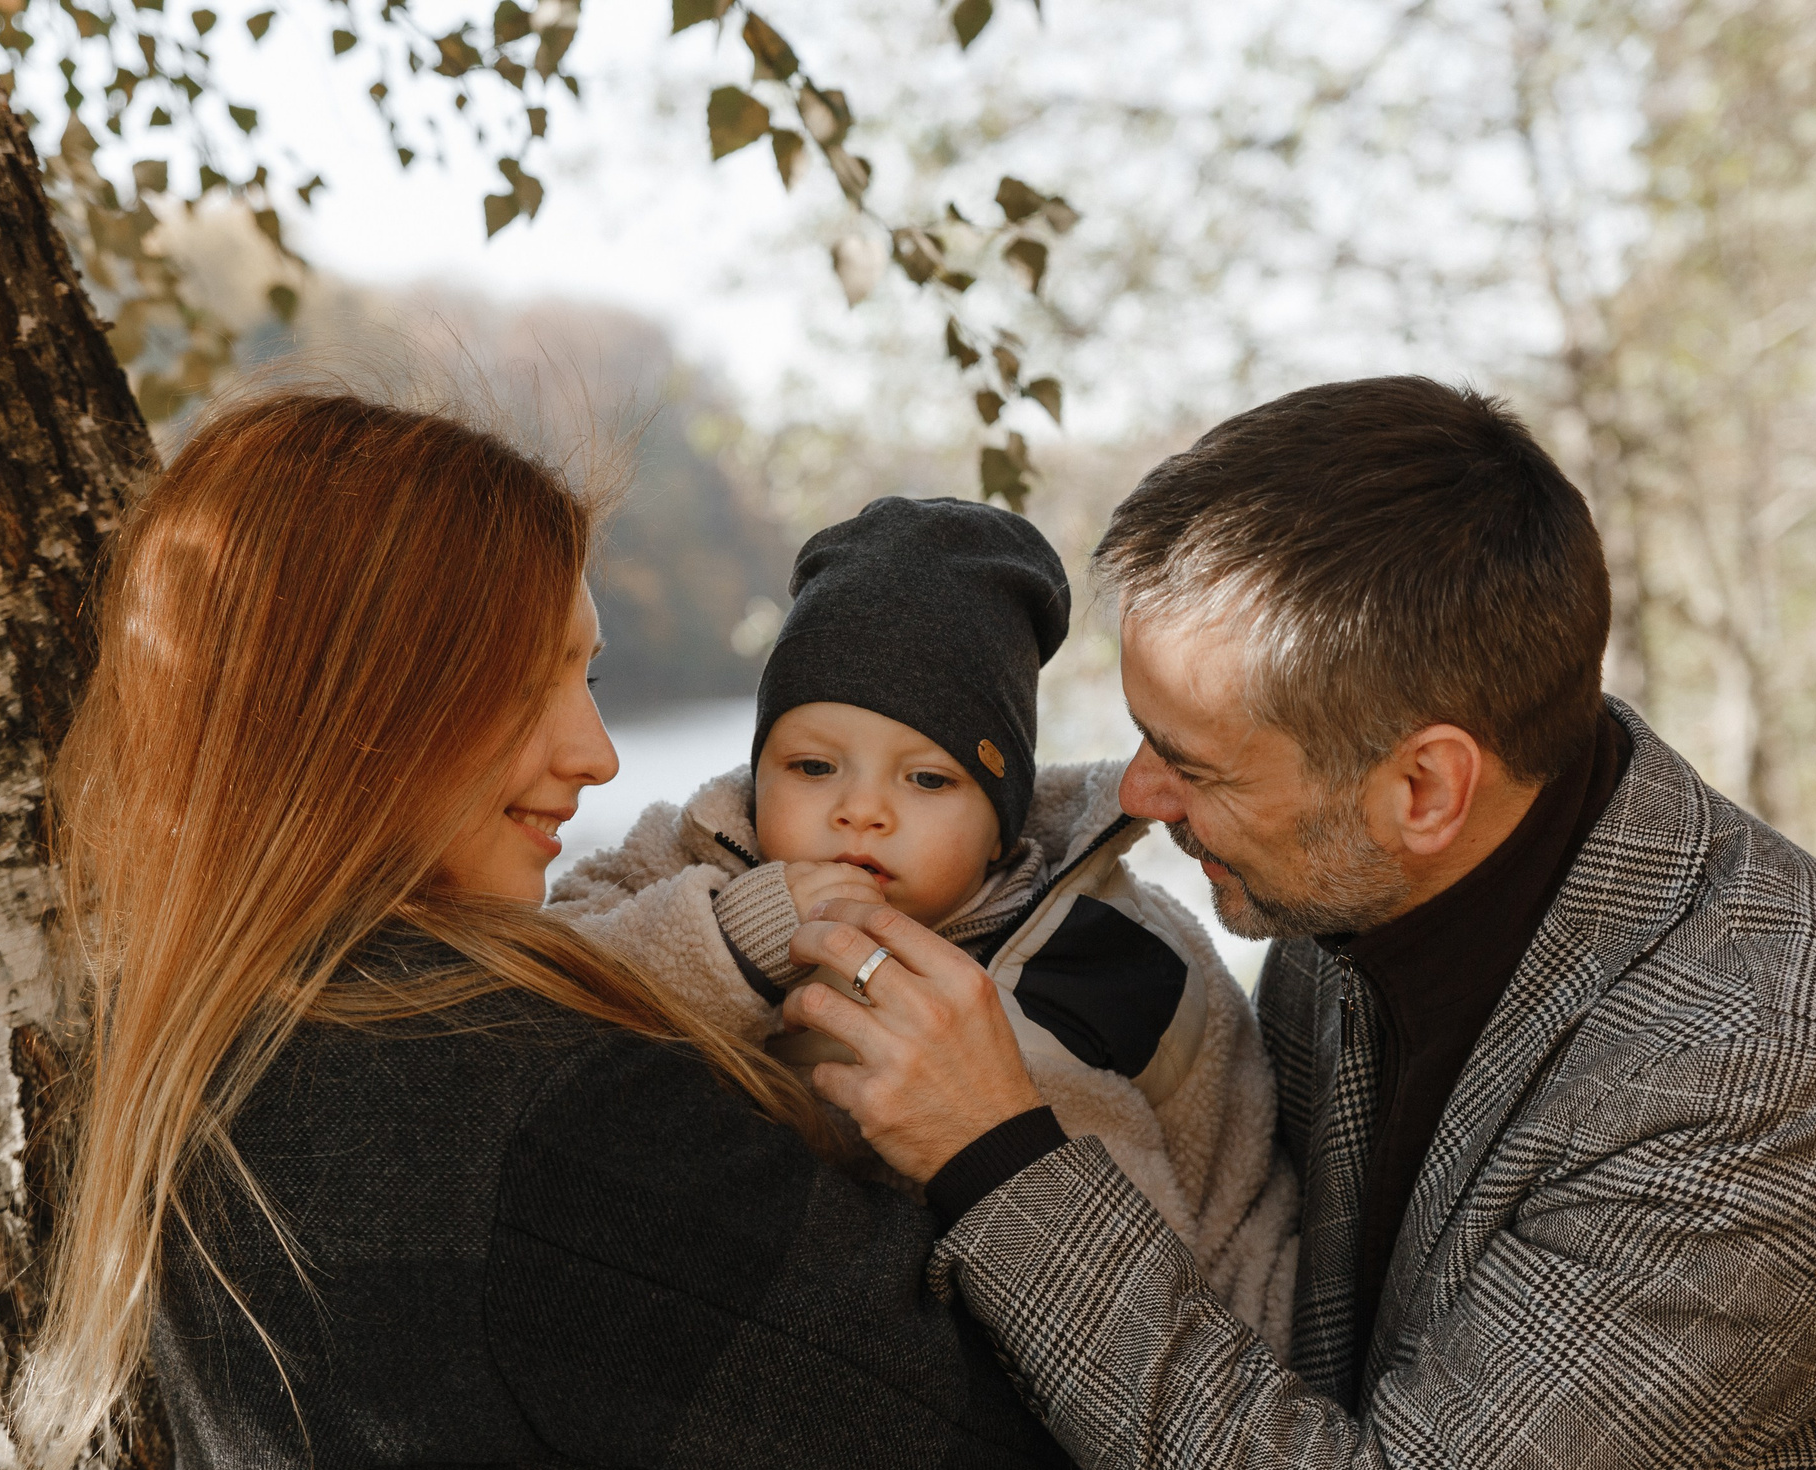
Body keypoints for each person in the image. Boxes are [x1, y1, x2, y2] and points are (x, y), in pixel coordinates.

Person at [772, 378, 1816, 1470]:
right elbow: (1278, 1386)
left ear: (1424, 786)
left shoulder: (1763, 1073)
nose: (1138, 793)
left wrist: (1004, 1154)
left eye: (1198, 763)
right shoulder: (1350, 909)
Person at [0, 391, 1162, 1470]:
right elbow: (1006, 1408)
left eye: (589, 677)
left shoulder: (255, 1037)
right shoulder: (489, 1085)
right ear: (359, 699)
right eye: (525, 679)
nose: (596, 754)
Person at [548, 496, 1299, 1352]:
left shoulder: (1122, 951)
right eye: (813, 765)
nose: (860, 809)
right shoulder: (697, 854)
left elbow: (1214, 1199)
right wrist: (741, 935)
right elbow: (548, 977)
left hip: (1097, 1369)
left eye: (928, 780)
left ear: (1001, 826)